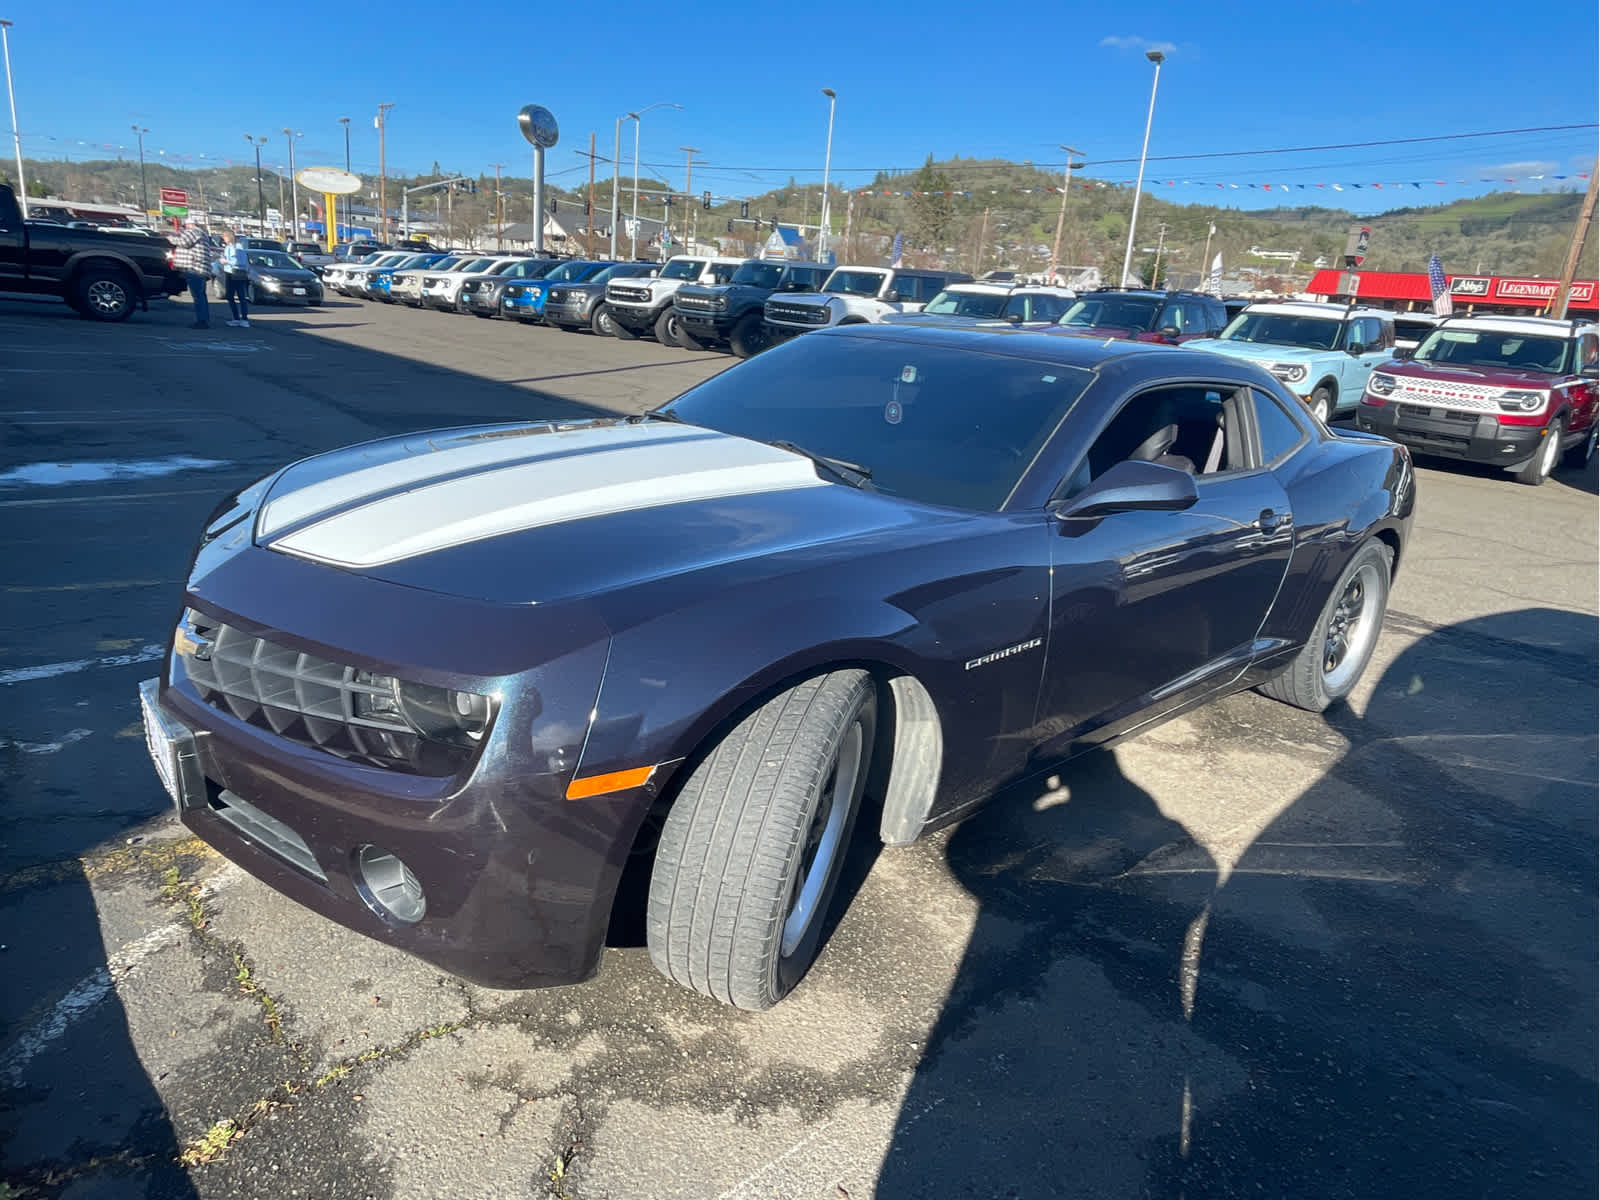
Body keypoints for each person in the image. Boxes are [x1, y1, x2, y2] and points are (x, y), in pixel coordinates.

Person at [172, 218, 218, 328]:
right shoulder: (202, 234)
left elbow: (183, 242)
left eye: (185, 226)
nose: (185, 229)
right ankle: (204, 320)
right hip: (201, 269)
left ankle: (201, 321)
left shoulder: (194, 232)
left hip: (195, 268)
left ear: (190, 225)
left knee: (198, 296)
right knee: (201, 295)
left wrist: (170, 237)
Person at [219, 230, 251, 328]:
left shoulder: (232, 247)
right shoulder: (239, 247)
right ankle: (242, 319)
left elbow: (236, 261)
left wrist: (225, 261)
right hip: (241, 273)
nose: (223, 239)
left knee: (231, 296)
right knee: (241, 297)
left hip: (232, 273)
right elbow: (245, 262)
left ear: (228, 237)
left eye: (224, 237)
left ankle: (239, 318)